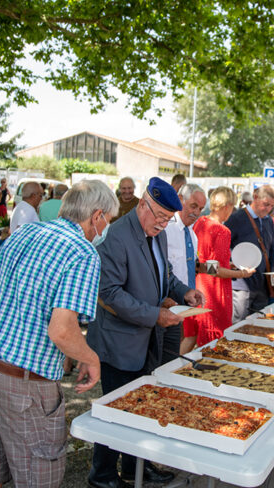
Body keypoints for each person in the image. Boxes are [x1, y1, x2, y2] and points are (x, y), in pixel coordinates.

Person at [0, 179, 117, 488]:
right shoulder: (83, 253)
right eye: (108, 220)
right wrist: (90, 357)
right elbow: (61, 330)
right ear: (97, 216)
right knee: (38, 479)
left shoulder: (26, 233)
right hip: (27, 388)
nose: (106, 228)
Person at [86, 177, 205, 488]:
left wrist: (184, 293)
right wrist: (155, 315)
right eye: (160, 217)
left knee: (141, 406)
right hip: (119, 340)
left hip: (145, 337)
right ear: (142, 205)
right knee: (115, 410)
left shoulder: (156, 232)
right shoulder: (116, 235)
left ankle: (136, 466)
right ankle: (102, 475)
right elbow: (109, 293)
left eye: (168, 219)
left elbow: (163, 272)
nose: (164, 225)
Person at [182, 187, 254, 353]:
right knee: (212, 343)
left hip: (195, 285)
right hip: (214, 292)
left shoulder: (200, 222)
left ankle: (172, 374)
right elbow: (215, 270)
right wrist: (243, 273)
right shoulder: (222, 231)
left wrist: (230, 265)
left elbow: (207, 262)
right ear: (227, 206)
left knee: (191, 336)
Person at [163, 183, 206, 363]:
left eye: (201, 208)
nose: (196, 212)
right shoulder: (166, 229)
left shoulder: (192, 234)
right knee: (164, 355)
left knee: (174, 352)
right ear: (180, 200)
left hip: (182, 305)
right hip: (164, 305)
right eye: (193, 206)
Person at [225, 185, 274, 321]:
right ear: (255, 197)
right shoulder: (236, 218)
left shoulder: (268, 220)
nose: (268, 209)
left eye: (272, 206)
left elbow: (272, 248)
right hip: (242, 284)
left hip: (263, 283)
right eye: (266, 204)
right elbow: (223, 247)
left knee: (258, 324)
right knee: (238, 326)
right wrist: (233, 265)